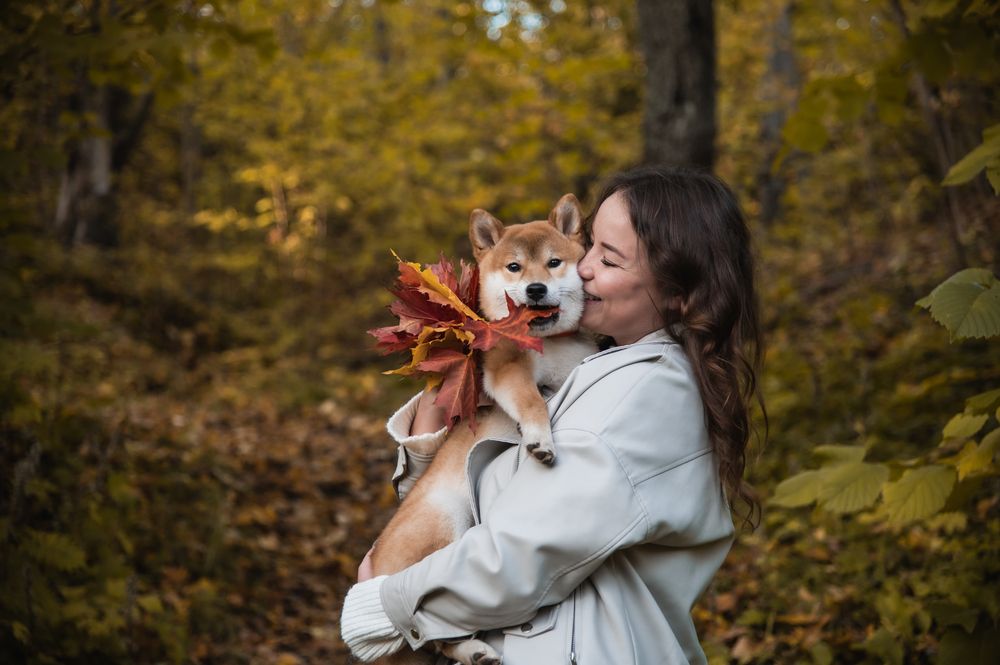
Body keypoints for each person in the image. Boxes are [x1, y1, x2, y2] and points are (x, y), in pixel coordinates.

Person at [340, 166, 764, 664]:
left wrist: (389, 601)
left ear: (678, 294)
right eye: (588, 248)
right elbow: (476, 499)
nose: (580, 269)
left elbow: (527, 553)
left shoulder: (646, 393)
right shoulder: (601, 367)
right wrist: (439, 415)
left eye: (607, 259)